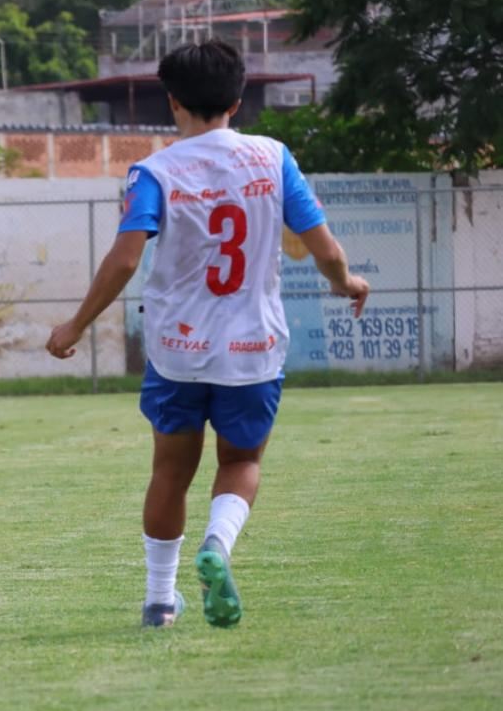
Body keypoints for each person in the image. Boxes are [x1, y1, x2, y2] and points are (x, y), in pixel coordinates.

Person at [45, 41, 370, 629]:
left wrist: (76, 324)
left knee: (170, 471)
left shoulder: (156, 171)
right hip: (254, 347)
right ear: (239, 100)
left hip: (178, 349)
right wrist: (346, 282)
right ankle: (217, 545)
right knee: (241, 459)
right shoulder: (273, 158)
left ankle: (159, 602)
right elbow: (324, 249)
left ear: (172, 102)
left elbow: (124, 261)